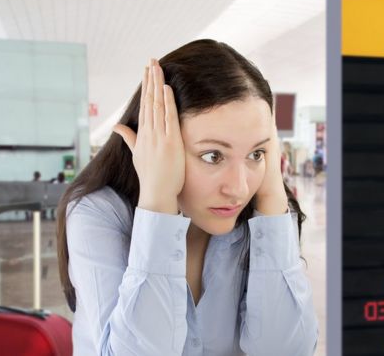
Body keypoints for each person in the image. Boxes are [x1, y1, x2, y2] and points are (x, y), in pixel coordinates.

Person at [56, 40, 318, 355]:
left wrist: (274, 197)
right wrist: (158, 201)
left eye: (256, 153)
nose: (237, 188)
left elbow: (285, 350)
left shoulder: (263, 211)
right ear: (155, 145)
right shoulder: (98, 214)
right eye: (212, 156)